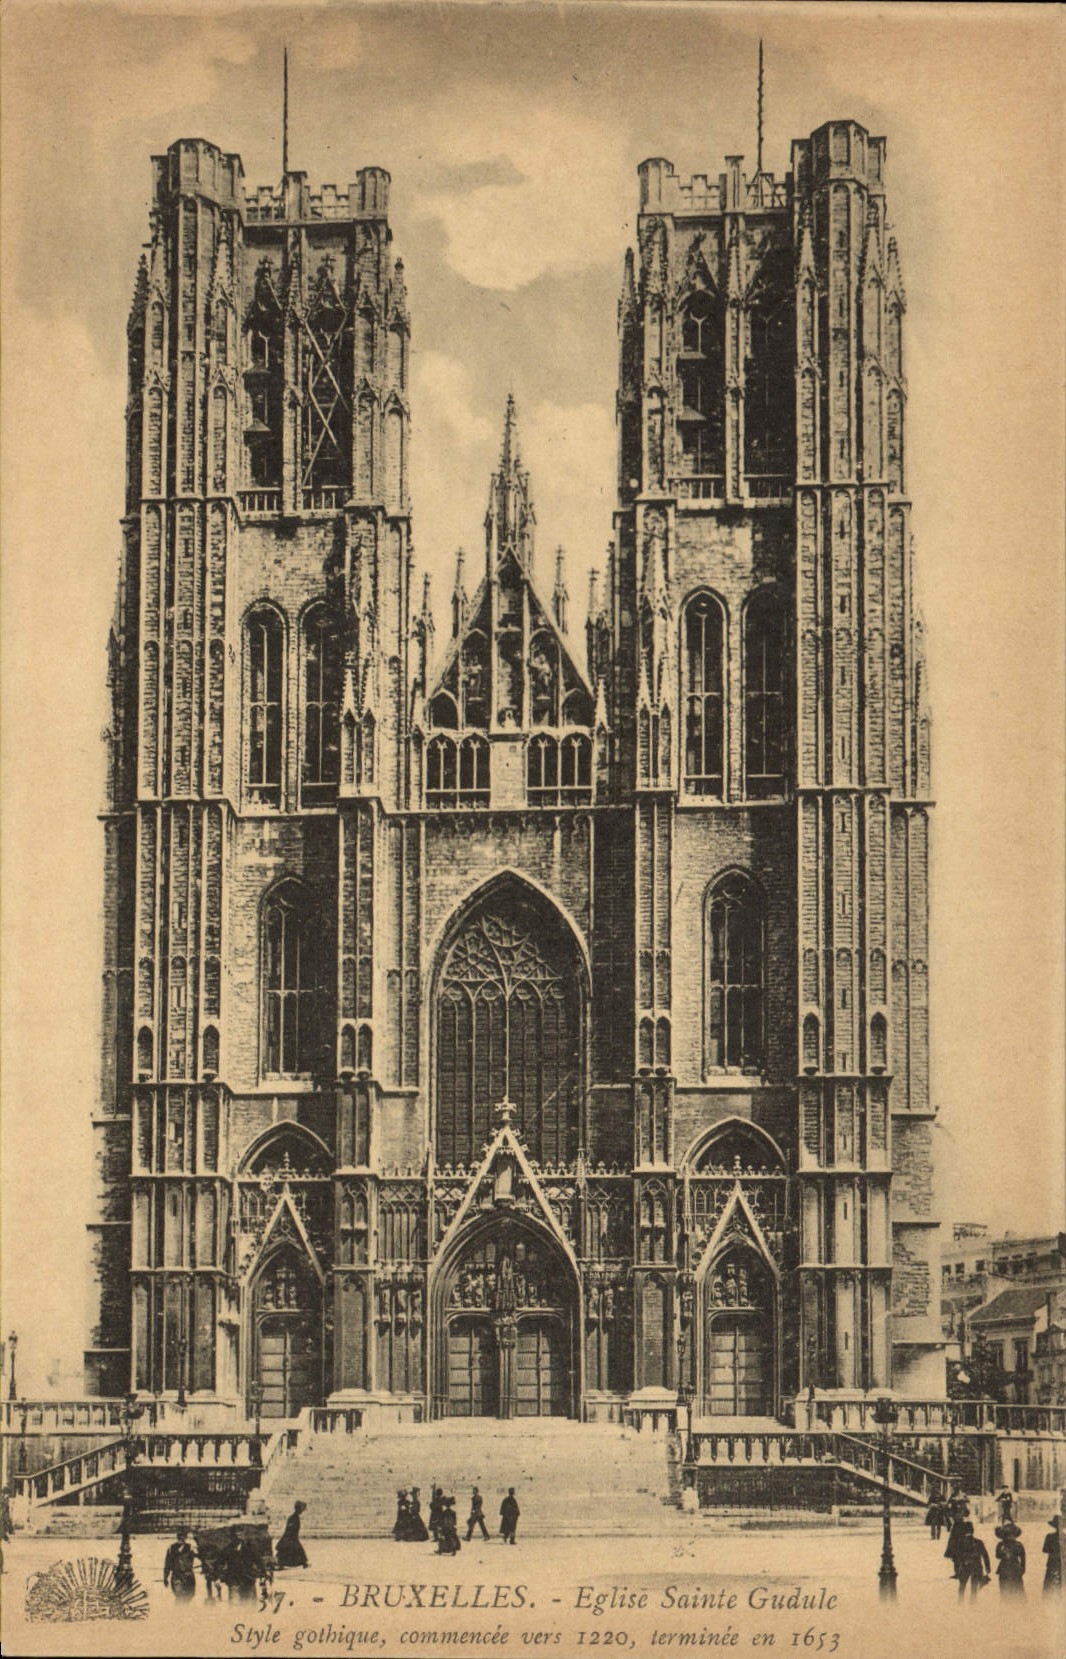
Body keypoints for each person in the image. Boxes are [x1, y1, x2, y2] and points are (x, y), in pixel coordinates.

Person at [224, 1526, 261, 1603]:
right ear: (232, 1537)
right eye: (236, 1536)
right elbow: (221, 1561)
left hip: (248, 1578)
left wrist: (262, 1572)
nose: (238, 1537)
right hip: (234, 1578)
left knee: (250, 1603)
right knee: (235, 1602)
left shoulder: (250, 1547)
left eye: (240, 1535)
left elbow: (258, 1560)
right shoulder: (228, 1548)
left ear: (244, 1536)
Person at [956, 1521, 991, 1597]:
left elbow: (957, 1556)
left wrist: (958, 1567)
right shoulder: (978, 1542)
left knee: (962, 1587)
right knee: (973, 1589)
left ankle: (960, 1605)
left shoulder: (960, 1542)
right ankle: (972, 1605)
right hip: (976, 1567)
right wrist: (988, 1568)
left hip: (965, 1566)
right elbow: (985, 1555)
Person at [163, 1528, 198, 1601]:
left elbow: (199, 1555)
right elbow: (167, 1563)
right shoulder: (171, 1548)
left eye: (183, 1537)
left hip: (188, 1576)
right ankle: (179, 1611)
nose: (182, 1539)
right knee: (179, 1596)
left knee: (189, 1596)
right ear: (178, 1537)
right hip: (177, 1576)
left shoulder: (190, 1547)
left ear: (185, 1538)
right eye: (180, 1537)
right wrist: (165, 1577)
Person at [275, 1501, 309, 1569]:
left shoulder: (295, 1517)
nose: (301, 1512)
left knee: (292, 1550)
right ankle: (303, 1563)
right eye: (301, 1510)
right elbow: (290, 1528)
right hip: (290, 1537)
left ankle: (303, 1563)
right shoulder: (293, 1517)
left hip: (292, 1537)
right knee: (295, 1550)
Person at [994, 1522, 1026, 1595]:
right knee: (1008, 1590)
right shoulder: (1002, 1544)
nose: (1011, 1537)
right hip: (1009, 1568)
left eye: (1012, 1535)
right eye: (1009, 1535)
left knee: (1015, 1590)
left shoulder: (1017, 1545)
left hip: (1010, 1568)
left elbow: (1023, 1557)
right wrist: (1023, 1568)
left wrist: (1023, 1568)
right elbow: (997, 1555)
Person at [944, 1495, 970, 1579]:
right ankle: (958, 1572)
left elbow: (967, 1514)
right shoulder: (955, 1508)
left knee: (960, 1551)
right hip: (958, 1530)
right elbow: (949, 1514)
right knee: (956, 1552)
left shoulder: (962, 1508)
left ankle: (960, 1572)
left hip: (961, 1529)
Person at [1043, 1515, 1063, 1593]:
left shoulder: (1049, 1536)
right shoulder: (1064, 1537)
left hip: (1051, 1561)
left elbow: (1045, 1550)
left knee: (1049, 1583)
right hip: (1061, 1562)